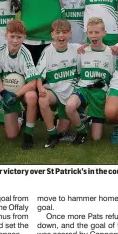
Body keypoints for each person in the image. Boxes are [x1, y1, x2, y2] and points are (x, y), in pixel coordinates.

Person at [0, 20, 39, 149]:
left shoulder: (25, 54)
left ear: (24, 37)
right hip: (7, 92)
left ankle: (28, 134)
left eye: (19, 37)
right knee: (11, 135)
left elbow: (32, 83)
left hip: (22, 91)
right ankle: (21, 117)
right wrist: (3, 93)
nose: (15, 41)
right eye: (12, 36)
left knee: (32, 96)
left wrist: (15, 95)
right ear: (6, 35)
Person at [65, 17, 115, 145]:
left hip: (99, 94)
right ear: (86, 33)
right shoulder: (82, 51)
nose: (94, 35)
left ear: (104, 33)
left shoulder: (111, 53)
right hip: (84, 89)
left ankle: (91, 118)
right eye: (91, 32)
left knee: (96, 138)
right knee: (70, 106)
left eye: (97, 32)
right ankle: (82, 131)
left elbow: (113, 76)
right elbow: (78, 72)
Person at [36, 19, 80, 148]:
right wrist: (40, 88)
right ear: (52, 34)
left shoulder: (77, 49)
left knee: (64, 132)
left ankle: (72, 117)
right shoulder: (47, 51)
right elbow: (39, 75)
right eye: (58, 32)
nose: (61, 35)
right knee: (43, 99)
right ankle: (52, 134)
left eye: (65, 32)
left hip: (71, 93)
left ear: (70, 34)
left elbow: (96, 47)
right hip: (55, 91)